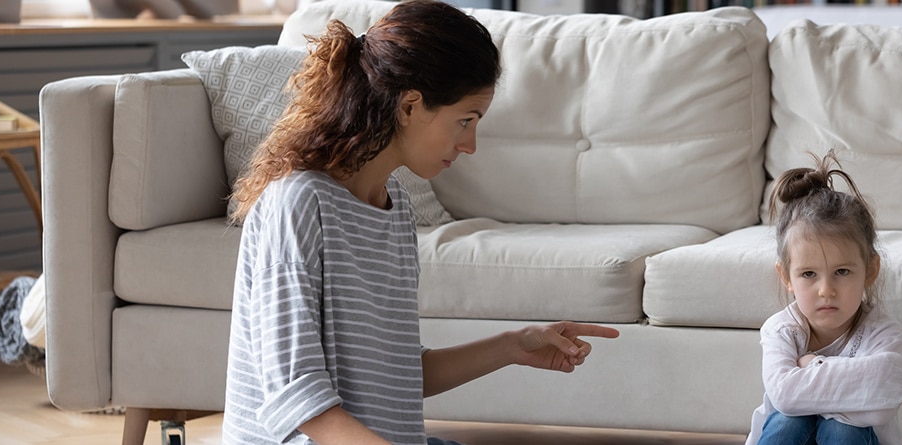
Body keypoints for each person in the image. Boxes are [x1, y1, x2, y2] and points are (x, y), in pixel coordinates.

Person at [221, 2, 620, 444]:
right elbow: (295, 400)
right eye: (465, 120)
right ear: (410, 106)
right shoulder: (298, 203)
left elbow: (397, 376)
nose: (469, 144)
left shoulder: (396, 212)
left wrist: (513, 345)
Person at [744, 151, 902, 445]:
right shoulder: (780, 330)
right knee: (788, 421)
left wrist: (811, 365)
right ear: (786, 276)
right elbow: (784, 396)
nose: (826, 290)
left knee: (842, 430)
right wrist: (863, 389)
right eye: (809, 274)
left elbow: (881, 410)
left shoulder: (882, 333)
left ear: (870, 269)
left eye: (842, 271)